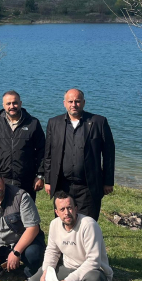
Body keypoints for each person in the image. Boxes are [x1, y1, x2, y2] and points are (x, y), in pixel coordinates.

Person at [26, 192, 113, 281]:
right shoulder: (54, 225)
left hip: (95, 271)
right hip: (69, 269)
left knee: (93, 279)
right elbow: (52, 251)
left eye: (70, 208)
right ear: (57, 212)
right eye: (62, 209)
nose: (67, 212)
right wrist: (47, 271)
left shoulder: (89, 225)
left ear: (76, 208)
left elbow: (93, 261)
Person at [43, 89, 115, 221]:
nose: (74, 105)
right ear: (64, 103)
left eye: (77, 101)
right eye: (70, 101)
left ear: (83, 102)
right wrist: (48, 180)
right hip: (62, 185)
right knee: (65, 223)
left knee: (88, 223)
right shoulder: (54, 123)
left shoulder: (98, 122)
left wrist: (108, 181)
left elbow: (108, 154)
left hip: (88, 187)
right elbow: (48, 155)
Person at [0, 90, 46, 200]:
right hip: (2, 179)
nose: (12, 106)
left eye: (15, 103)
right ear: (3, 105)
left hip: (26, 180)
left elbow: (42, 150)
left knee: (26, 210)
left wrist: (40, 175)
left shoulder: (33, 123)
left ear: (20, 103)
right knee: (2, 209)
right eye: (8, 104)